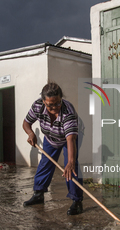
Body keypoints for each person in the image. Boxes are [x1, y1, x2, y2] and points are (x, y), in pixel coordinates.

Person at [23, 82, 84, 215]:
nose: (55, 107)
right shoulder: (37, 106)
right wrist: (30, 133)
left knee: (71, 167)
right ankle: (38, 195)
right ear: (44, 101)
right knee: (46, 162)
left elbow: (71, 139)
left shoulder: (68, 111)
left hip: (69, 137)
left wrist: (70, 161)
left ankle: (77, 201)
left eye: (57, 103)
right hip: (50, 137)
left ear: (61, 99)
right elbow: (26, 123)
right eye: (50, 105)